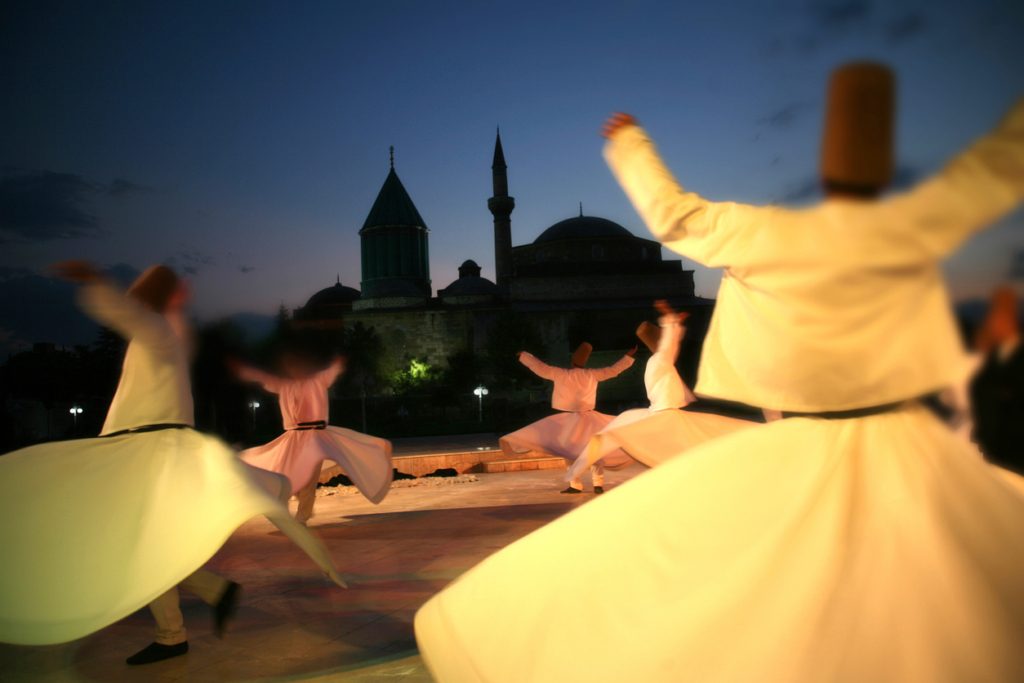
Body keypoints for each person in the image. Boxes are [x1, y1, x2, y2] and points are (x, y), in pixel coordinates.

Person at [415, 64, 1024, 682]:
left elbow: (677, 217)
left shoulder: (774, 234)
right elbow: (994, 171)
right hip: (906, 442)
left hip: (812, 442)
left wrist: (631, 145)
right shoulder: (908, 225)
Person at [0, 262, 344, 665]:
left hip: (147, 449)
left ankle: (176, 629)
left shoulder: (159, 329)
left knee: (140, 544)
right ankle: (209, 598)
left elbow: (122, 313)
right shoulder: (171, 330)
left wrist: (94, 282)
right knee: (145, 543)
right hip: (150, 446)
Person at [567, 299, 757, 483]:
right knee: (708, 435)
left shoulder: (657, 360)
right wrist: (671, 319)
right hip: (660, 413)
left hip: (660, 413)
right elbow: (669, 344)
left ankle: (575, 472)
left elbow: (669, 344)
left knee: (611, 435)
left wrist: (671, 320)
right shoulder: (659, 359)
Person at [232, 352, 393, 524]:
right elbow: (263, 378)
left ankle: (303, 516)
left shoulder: (317, 380)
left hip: (316, 437)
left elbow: (332, 370)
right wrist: (245, 370)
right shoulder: (285, 384)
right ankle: (298, 507)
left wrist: (339, 362)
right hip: (294, 437)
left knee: (308, 478)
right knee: (287, 475)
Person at [501, 342, 636, 493]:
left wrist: (524, 356)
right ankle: (597, 484)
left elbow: (540, 368)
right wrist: (628, 357)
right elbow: (614, 370)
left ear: (572, 361)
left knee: (569, 451)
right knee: (593, 451)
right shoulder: (591, 374)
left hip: (569, 420)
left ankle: (576, 484)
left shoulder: (562, 374)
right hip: (588, 419)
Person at [970, 286, 1024, 473]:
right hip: (993, 456)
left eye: (994, 315)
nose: (989, 322)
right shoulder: (992, 358)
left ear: (1007, 317)